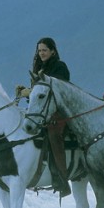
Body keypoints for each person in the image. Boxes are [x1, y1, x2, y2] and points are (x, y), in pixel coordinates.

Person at [30, 37, 72, 197]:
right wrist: (27, 92)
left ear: (53, 51)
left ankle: (62, 177)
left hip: (59, 109)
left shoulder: (60, 67)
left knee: (54, 132)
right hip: (41, 109)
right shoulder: (38, 67)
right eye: (39, 50)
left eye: (44, 50)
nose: (41, 53)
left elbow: (61, 91)